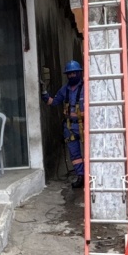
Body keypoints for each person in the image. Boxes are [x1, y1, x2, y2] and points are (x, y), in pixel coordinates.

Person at [41, 60, 85, 189]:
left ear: (79, 73)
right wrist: (44, 92)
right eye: (69, 74)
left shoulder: (86, 87)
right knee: (75, 154)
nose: (71, 76)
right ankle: (80, 176)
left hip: (85, 126)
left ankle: (91, 176)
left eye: (74, 73)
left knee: (90, 152)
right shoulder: (64, 89)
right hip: (70, 127)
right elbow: (53, 102)